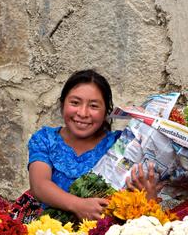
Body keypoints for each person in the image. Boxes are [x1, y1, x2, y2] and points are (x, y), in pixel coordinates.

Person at [28, 69, 159, 220]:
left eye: (94, 106)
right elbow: (39, 185)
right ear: (62, 104)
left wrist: (149, 197)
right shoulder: (45, 139)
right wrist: (79, 205)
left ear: (106, 112)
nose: (83, 113)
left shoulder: (121, 145)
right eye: (75, 103)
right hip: (48, 234)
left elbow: (137, 198)